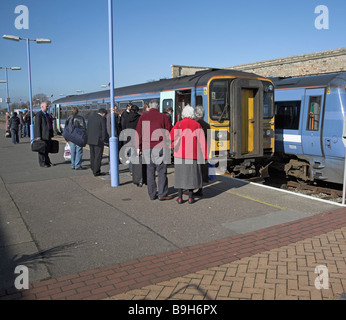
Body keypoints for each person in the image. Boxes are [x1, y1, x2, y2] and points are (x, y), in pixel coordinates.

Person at [136, 99, 173, 200]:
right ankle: (162, 194)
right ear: (158, 107)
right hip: (160, 147)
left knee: (150, 171)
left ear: (150, 107)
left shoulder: (143, 117)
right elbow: (169, 130)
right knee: (161, 171)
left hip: (147, 147)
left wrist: (138, 147)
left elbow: (139, 133)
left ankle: (152, 194)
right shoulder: (163, 117)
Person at [170, 105, 207, 204]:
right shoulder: (196, 125)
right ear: (192, 114)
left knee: (179, 176)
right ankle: (190, 198)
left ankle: (179, 197)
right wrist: (205, 156)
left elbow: (171, 137)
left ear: (183, 114)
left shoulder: (178, 124)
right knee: (191, 176)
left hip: (179, 154)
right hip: (193, 154)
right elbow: (202, 142)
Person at [194, 105, 211, 196]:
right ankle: (200, 189)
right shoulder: (207, 125)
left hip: (196, 150)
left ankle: (191, 189)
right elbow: (208, 140)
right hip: (204, 151)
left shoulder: (195, 124)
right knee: (202, 169)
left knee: (194, 170)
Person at [87, 108, 107, 176]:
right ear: (103, 113)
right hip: (98, 140)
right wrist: (103, 139)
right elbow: (104, 130)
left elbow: (88, 129)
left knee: (92, 155)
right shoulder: (102, 119)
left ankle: (93, 168)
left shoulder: (91, 118)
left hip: (90, 139)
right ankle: (97, 171)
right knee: (98, 156)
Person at [34, 102, 54, 167]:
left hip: (47, 135)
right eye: (46, 106)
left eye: (47, 106)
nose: (48, 107)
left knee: (47, 149)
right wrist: (38, 136)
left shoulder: (47, 115)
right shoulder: (39, 115)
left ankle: (47, 161)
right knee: (41, 149)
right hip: (42, 135)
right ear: (42, 107)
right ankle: (42, 163)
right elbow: (37, 126)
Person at [122, 104, 141, 173]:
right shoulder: (139, 118)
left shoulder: (126, 118)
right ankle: (136, 170)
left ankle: (131, 170)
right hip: (136, 138)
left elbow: (123, 127)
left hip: (128, 138)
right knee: (136, 155)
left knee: (130, 155)